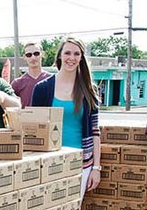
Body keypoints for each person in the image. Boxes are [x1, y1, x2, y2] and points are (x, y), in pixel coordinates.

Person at [31, 37, 101, 197]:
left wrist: (96, 168)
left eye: (77, 54)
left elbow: (95, 131)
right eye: (67, 52)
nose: (72, 58)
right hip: (49, 162)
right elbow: (33, 129)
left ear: (81, 58)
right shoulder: (42, 89)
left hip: (81, 163)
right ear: (60, 56)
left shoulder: (89, 90)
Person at [11, 42, 51, 106]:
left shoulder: (52, 80)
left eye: (36, 54)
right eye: (29, 55)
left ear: (42, 54)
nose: (33, 58)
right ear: (24, 57)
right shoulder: (17, 83)